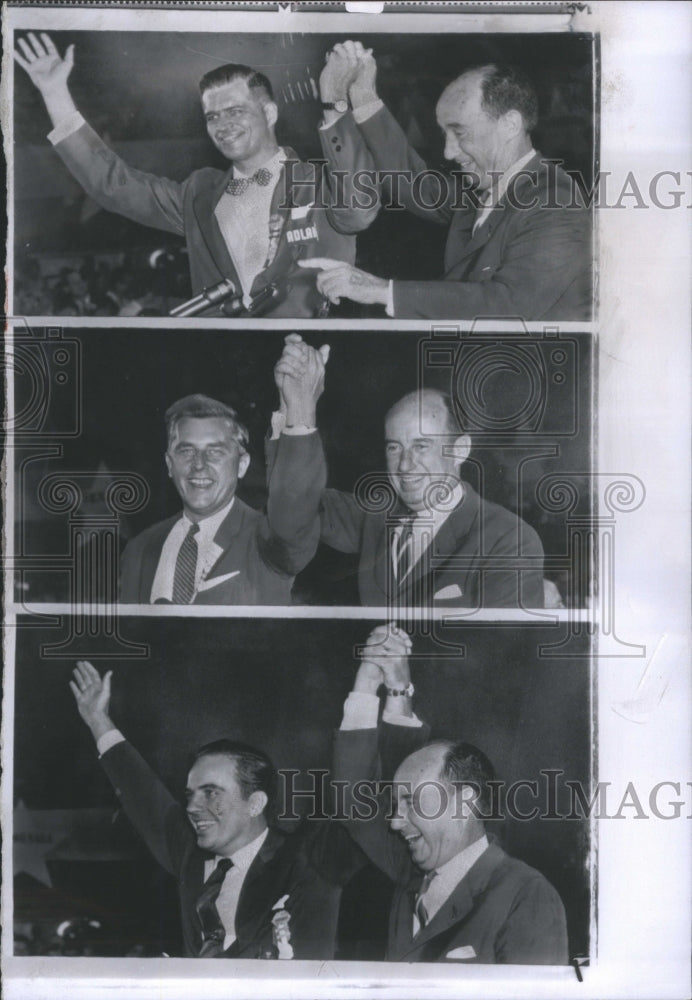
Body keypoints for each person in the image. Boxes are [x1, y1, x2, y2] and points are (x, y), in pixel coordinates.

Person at [14, 33, 378, 318]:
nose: (223, 125)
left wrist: (334, 105)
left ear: (269, 112)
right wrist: (55, 93)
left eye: (235, 111)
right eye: (212, 116)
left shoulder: (319, 181)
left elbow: (360, 211)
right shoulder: (199, 193)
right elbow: (114, 186)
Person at [68, 661, 345, 959]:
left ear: (255, 803)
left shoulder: (306, 861)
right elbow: (143, 796)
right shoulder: (191, 854)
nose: (191, 807)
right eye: (190, 794)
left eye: (211, 793)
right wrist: (98, 720)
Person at [300, 43, 591, 321]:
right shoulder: (487, 188)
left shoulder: (556, 202)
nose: (448, 152)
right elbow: (412, 183)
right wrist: (361, 94)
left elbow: (508, 305)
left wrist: (380, 290)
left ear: (510, 125)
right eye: (445, 135)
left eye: (460, 133)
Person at [332, 624, 569, 964]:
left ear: (465, 800)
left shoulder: (526, 895)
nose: (395, 821)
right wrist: (373, 683)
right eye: (397, 803)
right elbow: (356, 803)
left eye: (411, 802)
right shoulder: (414, 874)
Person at [275, 339, 544, 608]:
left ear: (460, 449)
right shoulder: (375, 518)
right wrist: (297, 407)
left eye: (421, 446)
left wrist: (406, 651)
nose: (404, 465)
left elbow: (503, 646)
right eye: (394, 447)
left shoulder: (508, 539)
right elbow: (296, 506)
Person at [119, 335, 328, 604]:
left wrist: (298, 407)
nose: (199, 464)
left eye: (215, 451)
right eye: (186, 450)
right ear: (170, 465)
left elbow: (296, 507)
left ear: (242, 465)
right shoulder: (139, 549)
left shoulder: (267, 539)